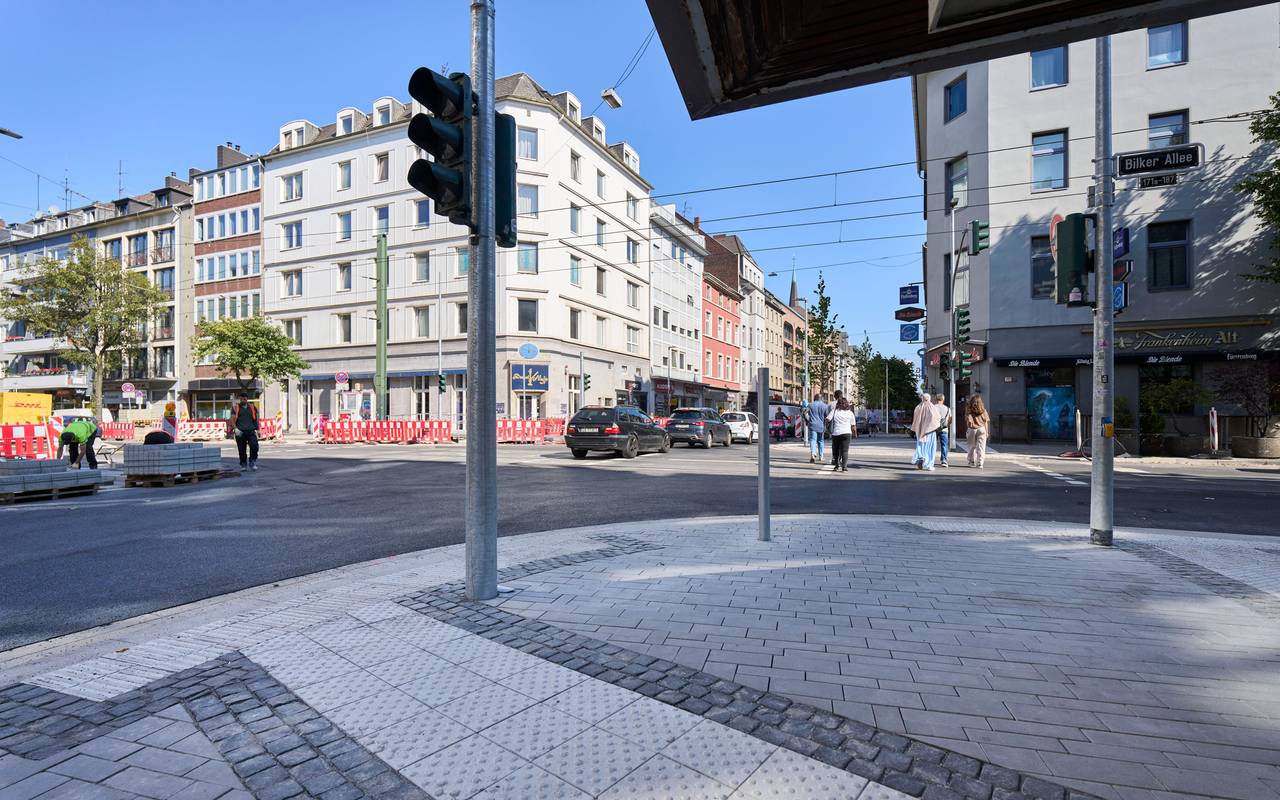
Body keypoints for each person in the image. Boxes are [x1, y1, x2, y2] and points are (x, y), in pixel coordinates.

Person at [910, 393, 941, 471]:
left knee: (920, 445)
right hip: (930, 431)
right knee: (930, 447)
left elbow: (915, 419)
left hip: (920, 431)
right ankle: (929, 465)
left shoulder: (918, 407)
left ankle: (921, 457)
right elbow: (937, 418)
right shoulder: (932, 407)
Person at [230, 393, 260, 471]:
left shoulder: (253, 407)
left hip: (251, 431)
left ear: (247, 399)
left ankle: (252, 461)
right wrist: (235, 429)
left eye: (244, 399)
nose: (243, 400)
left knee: (254, 446)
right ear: (239, 399)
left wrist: (258, 429)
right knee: (241, 449)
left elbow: (256, 419)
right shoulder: (235, 408)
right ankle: (243, 464)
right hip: (240, 432)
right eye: (241, 399)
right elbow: (232, 420)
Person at [827, 397, 855, 472]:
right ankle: (844, 467)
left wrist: (828, 428)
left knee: (836, 450)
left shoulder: (835, 411)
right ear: (846, 404)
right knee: (845, 451)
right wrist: (855, 433)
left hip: (836, 433)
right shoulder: (850, 413)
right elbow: (853, 425)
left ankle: (836, 466)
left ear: (838, 404)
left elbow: (828, 419)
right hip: (847, 433)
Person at [966, 394, 991, 468]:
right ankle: (980, 463)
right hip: (982, 428)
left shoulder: (969, 410)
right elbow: (986, 421)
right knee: (981, 447)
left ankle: (971, 461)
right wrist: (987, 432)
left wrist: (968, 429)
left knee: (971, 446)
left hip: (972, 429)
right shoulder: (983, 410)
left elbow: (967, 421)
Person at [805, 393, 830, 465]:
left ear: (814, 398)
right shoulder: (825, 406)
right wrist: (827, 426)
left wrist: (807, 420)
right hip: (821, 425)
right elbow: (827, 416)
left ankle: (813, 453)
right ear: (821, 398)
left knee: (813, 440)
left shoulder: (810, 405)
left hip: (812, 425)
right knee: (820, 441)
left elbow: (804, 413)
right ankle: (821, 456)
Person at [933, 394, 952, 468]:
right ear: (943, 400)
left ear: (935, 399)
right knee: (944, 445)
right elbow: (950, 419)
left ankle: (931, 460)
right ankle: (944, 461)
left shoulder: (933, 408)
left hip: (934, 429)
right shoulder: (947, 408)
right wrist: (946, 425)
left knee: (933, 445)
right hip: (944, 429)